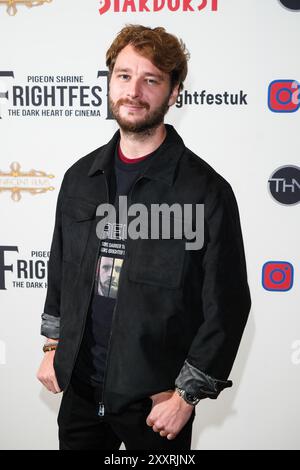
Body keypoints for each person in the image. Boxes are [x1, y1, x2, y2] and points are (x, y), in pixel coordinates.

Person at [37, 24, 251, 451]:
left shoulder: (204, 191)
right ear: (110, 82)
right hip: (79, 395)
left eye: (151, 79)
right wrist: (53, 344)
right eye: (123, 75)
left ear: (173, 93)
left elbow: (227, 305)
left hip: (156, 408)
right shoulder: (81, 178)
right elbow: (62, 268)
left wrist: (187, 396)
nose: (133, 90)